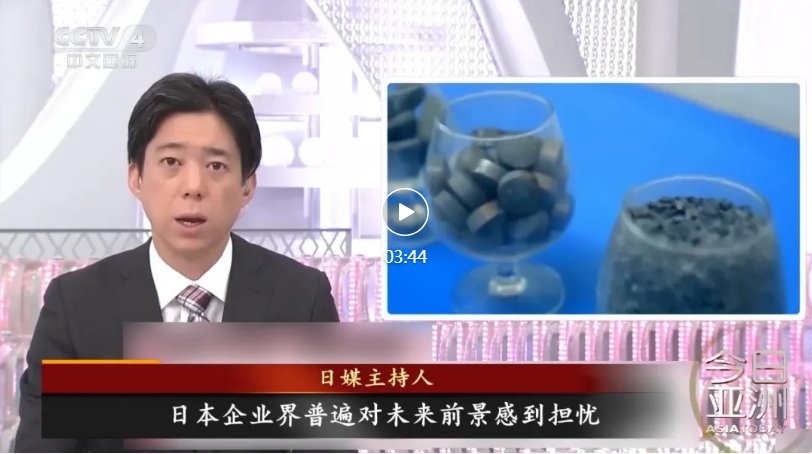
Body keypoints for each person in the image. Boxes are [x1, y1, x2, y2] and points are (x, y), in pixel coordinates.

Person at [14, 73, 340, 452]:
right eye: (171, 161)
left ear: (247, 186)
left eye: (216, 166)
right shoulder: (77, 307)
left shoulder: (302, 301)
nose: (193, 186)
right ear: (136, 178)